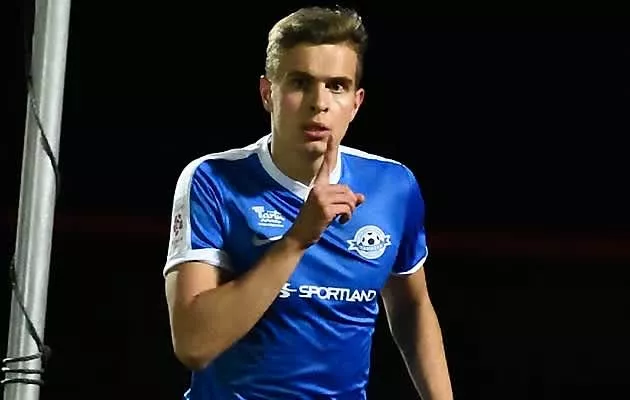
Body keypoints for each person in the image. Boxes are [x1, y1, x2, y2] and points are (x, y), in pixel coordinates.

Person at [163, 6, 453, 400]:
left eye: (337, 86)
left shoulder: (393, 186)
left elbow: (411, 307)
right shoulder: (213, 180)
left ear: (356, 102)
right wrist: (298, 239)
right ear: (268, 93)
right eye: (300, 82)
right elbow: (193, 344)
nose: (319, 102)